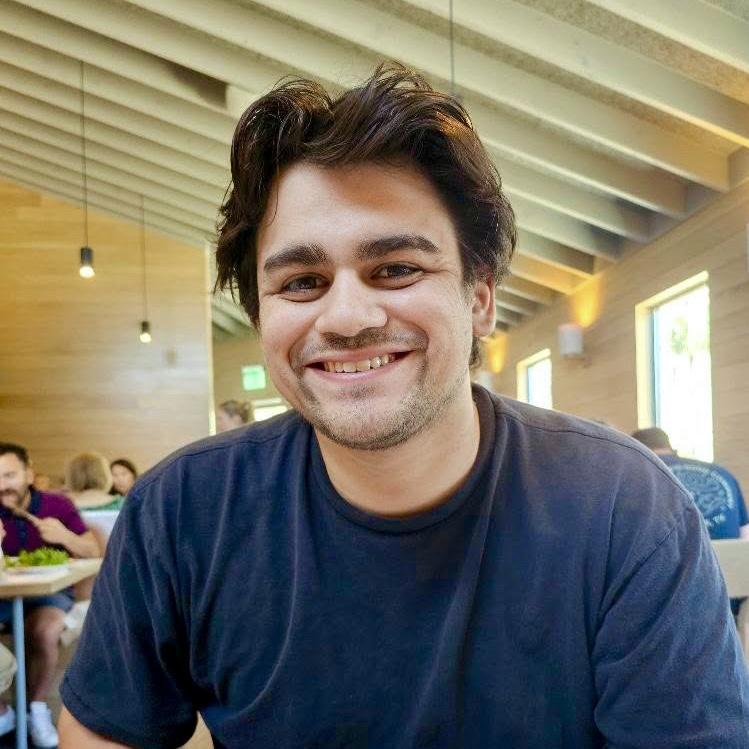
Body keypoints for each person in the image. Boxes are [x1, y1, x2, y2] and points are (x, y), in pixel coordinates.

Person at [59, 65, 749, 748]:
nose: (346, 316)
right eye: (302, 281)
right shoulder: (183, 511)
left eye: (395, 269)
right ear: (261, 314)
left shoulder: (623, 508)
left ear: (479, 299)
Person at [0, 442, 99, 747]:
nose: (2, 486)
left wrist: (64, 536)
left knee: (46, 630)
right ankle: (4, 710)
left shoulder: (58, 506)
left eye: (9, 476)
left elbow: (93, 551)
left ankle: (35, 707)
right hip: (3, 597)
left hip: (48, 596)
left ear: (29, 474)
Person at [631, 427, 749, 541]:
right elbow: (745, 534)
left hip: (678, 553)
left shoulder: (638, 476)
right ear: (669, 447)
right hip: (730, 553)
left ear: (635, 450)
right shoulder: (722, 473)